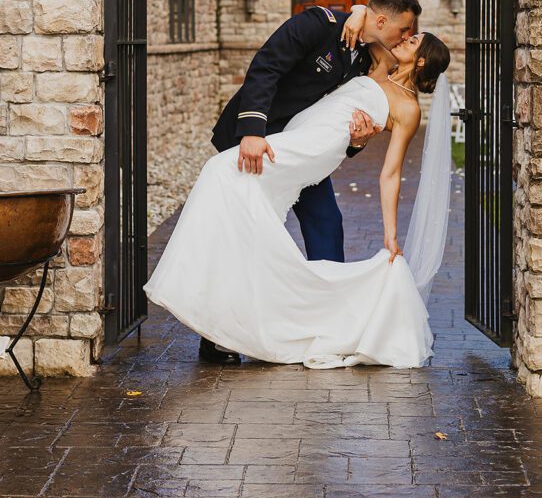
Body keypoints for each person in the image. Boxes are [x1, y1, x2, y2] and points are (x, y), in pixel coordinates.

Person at [144, 30, 451, 370]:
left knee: (220, 170)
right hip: (299, 131)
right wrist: (360, 7)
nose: (403, 39)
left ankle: (188, 287)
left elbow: (390, 173)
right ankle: (223, 321)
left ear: (421, 60)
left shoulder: (408, 109)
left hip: (315, 147)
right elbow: (367, 25)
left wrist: (391, 234)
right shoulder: (380, 65)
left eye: (412, 41)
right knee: (246, 215)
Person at [201, 0, 420, 363]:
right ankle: (219, 334)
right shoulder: (317, 25)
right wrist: (252, 131)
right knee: (248, 234)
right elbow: (266, 66)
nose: (404, 37)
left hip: (300, 154)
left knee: (326, 224)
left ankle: (328, 322)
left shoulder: (364, 56)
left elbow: (336, 117)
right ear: (382, 20)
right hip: (258, 144)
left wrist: (357, 143)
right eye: (403, 29)